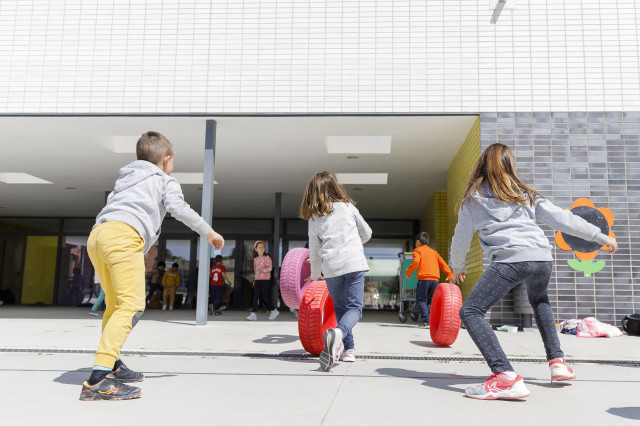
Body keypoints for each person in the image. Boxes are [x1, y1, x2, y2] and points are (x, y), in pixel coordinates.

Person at [449, 143, 618, 400]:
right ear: (509, 165)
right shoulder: (524, 193)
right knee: (540, 301)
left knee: (470, 311)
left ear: (482, 165)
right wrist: (599, 236)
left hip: (511, 259)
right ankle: (558, 362)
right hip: (542, 257)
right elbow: (563, 218)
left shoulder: (473, 199)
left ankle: (504, 376)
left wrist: (457, 267)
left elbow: (460, 239)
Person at [79, 131, 224, 401]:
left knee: (114, 305)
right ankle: (98, 380)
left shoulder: (126, 177)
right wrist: (209, 232)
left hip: (98, 235)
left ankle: (111, 364)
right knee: (132, 305)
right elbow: (179, 209)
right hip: (123, 236)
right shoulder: (164, 180)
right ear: (166, 159)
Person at [300, 171, 372, 371]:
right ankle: (339, 334)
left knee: (341, 309)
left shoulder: (314, 218)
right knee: (355, 309)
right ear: (335, 188)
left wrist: (315, 275)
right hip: (353, 264)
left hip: (331, 268)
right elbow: (367, 233)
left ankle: (349, 351)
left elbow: (314, 253)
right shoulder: (348, 207)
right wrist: (355, 243)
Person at [405, 231, 453, 328]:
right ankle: (438, 321)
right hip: (435, 280)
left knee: (421, 301)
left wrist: (408, 272)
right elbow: (442, 263)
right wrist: (449, 274)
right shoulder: (434, 252)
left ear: (418, 242)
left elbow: (416, 261)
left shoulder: (417, 250)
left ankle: (427, 322)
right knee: (432, 301)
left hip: (424, 279)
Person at [246, 241, 279, 321]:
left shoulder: (267, 257)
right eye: (260, 247)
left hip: (265, 280)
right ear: (256, 249)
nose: (262, 248)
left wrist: (263, 270)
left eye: (263, 247)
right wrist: (254, 280)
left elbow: (270, 268)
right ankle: (253, 314)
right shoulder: (255, 259)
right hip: (257, 280)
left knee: (265, 297)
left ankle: (274, 310)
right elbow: (255, 271)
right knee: (255, 296)